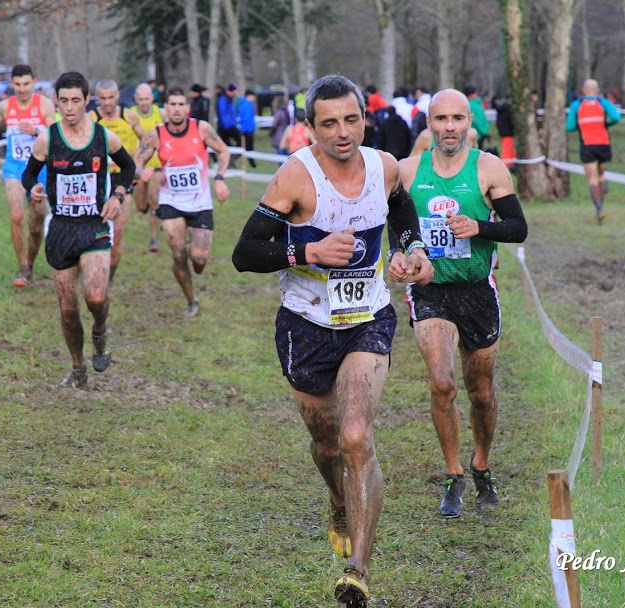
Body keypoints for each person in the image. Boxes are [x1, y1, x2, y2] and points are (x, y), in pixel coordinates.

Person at [232, 74, 433, 608]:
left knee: (355, 436)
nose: (342, 133)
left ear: (363, 118)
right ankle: (339, 501)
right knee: (325, 445)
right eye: (329, 123)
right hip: (306, 325)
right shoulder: (295, 178)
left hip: (368, 318)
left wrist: (411, 250)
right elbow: (246, 252)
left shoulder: (383, 166)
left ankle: (358, 571)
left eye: (351, 120)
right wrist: (306, 253)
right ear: (310, 127)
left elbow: (402, 209)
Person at [398, 88, 527, 518]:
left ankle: (481, 464)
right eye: (440, 119)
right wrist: (404, 253)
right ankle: (452, 475)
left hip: (477, 290)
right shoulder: (407, 171)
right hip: (430, 291)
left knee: (482, 393)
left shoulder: (488, 167)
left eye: (457, 118)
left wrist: (479, 227)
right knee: (441, 383)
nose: (449, 127)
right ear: (429, 123)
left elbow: (517, 228)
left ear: (470, 122)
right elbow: (393, 224)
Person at [21, 71, 136, 388]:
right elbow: (28, 176)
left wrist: (118, 195)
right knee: (69, 309)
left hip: (94, 227)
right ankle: (78, 368)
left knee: (96, 297)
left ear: (87, 101)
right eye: (63, 101)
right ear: (56, 102)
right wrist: (33, 189)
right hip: (60, 229)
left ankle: (100, 330)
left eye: (75, 101)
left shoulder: (102, 137)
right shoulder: (48, 138)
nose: (69, 107)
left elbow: (128, 167)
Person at [134, 87, 231, 316]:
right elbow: (136, 161)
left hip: (200, 202)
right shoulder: (156, 134)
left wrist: (219, 178)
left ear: (187, 108)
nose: (176, 109)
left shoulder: (202, 128)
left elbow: (224, 151)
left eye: (180, 105)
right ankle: (192, 300)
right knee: (178, 251)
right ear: (165, 109)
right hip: (171, 201)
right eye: (172, 105)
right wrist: (141, 173)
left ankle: (193, 261)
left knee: (199, 260)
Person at [0, 64, 57, 286]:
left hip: (39, 170)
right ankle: (23, 267)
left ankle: (31, 264)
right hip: (14, 168)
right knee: (17, 216)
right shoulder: (5, 106)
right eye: (17, 84)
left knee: (36, 225)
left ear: (34, 82)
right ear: (12, 84)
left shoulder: (44, 105)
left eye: (26, 83)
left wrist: (37, 131)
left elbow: (56, 134)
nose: (22, 88)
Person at [92, 80, 145, 282]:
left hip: (123, 177)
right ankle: (94, 268)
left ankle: (109, 276)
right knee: (96, 228)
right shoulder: (92, 118)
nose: (107, 102)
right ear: (97, 98)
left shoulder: (129, 115)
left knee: (118, 230)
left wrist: (137, 159)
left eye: (111, 97)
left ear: (118, 95)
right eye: (102, 98)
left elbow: (147, 138)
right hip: (99, 180)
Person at [566, 79, 620, 224]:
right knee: (601, 176)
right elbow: (616, 117)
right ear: (597, 90)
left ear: (584, 90)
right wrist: (606, 124)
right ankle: (602, 205)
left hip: (587, 145)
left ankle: (599, 210)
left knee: (592, 178)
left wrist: (581, 126)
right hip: (604, 144)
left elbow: (569, 126)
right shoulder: (604, 103)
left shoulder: (576, 105)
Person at [131, 83, 164, 252]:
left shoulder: (161, 113)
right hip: (138, 167)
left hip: (158, 166)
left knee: (154, 201)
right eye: (141, 99)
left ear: (152, 98)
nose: (144, 102)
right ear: (136, 99)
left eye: (147, 98)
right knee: (141, 207)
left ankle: (153, 240)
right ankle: (161, 214)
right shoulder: (131, 115)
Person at [409, 126, 478, 157]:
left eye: (457, 118)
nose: (450, 127)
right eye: (441, 118)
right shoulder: (426, 137)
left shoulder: (471, 134)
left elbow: (476, 162)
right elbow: (411, 167)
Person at [491, 94, 515, 167]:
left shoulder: (500, 110)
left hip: (503, 132)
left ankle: (512, 162)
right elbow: (511, 122)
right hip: (508, 133)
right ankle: (505, 164)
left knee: (509, 148)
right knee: (507, 150)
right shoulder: (508, 110)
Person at [217, 83, 241, 149]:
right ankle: (231, 157)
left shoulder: (231, 99)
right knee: (239, 141)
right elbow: (222, 113)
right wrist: (227, 125)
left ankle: (232, 157)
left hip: (231, 125)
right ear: (232, 91)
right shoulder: (223, 99)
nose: (236, 93)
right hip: (226, 127)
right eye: (236, 91)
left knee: (239, 143)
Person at [238, 89, 258, 168]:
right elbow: (246, 118)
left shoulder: (248, 104)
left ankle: (252, 164)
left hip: (248, 129)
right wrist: (248, 129)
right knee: (247, 147)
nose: (254, 99)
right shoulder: (246, 105)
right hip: (247, 130)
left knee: (246, 147)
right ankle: (253, 164)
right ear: (249, 96)